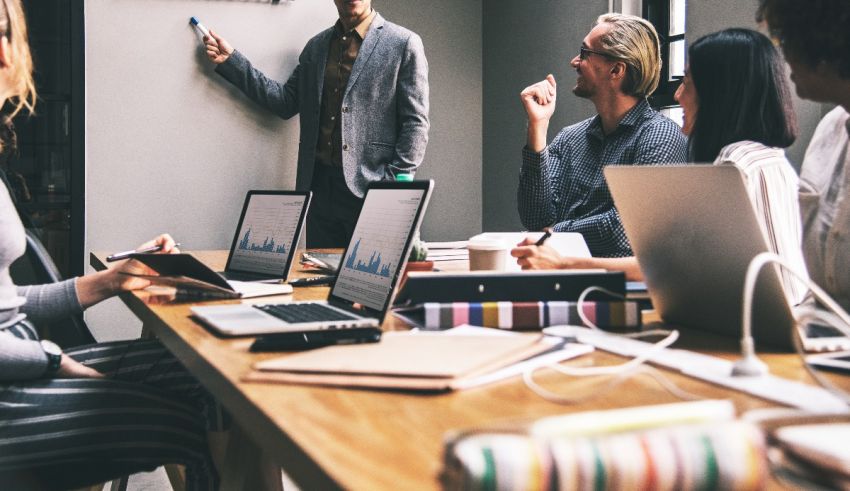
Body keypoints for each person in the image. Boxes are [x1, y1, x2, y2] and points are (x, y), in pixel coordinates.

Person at [0, 1, 224, 489]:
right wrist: (58, 362)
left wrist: (114, 279)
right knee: (185, 423)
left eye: (4, 33)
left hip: (23, 362)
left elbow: (7, 305)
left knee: (214, 376)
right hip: (10, 388)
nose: (4, 55)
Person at [513, 28, 809, 305]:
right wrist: (537, 128)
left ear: (719, 95)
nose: (678, 95)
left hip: (768, 335)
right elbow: (536, 216)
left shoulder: (735, 167)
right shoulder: (761, 160)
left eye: (687, 83)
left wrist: (559, 251)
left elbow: (672, 262)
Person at [203, 0, 429, 247]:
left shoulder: (403, 43)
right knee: (319, 280)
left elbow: (415, 123)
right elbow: (285, 102)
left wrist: (392, 184)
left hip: (372, 189)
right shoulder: (316, 47)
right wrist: (232, 61)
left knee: (369, 280)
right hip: (319, 190)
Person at [517, 13, 688, 258]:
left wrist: (553, 233)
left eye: (585, 53)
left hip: (617, 290)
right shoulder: (570, 138)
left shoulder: (660, 137)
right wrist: (538, 126)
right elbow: (535, 218)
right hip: (560, 280)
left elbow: (624, 231)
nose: (574, 61)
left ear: (616, 70)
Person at [757, 0, 850, 312]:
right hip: (824, 339)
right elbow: (822, 289)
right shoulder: (829, 130)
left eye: (784, 39)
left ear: (821, 41)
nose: (782, 55)